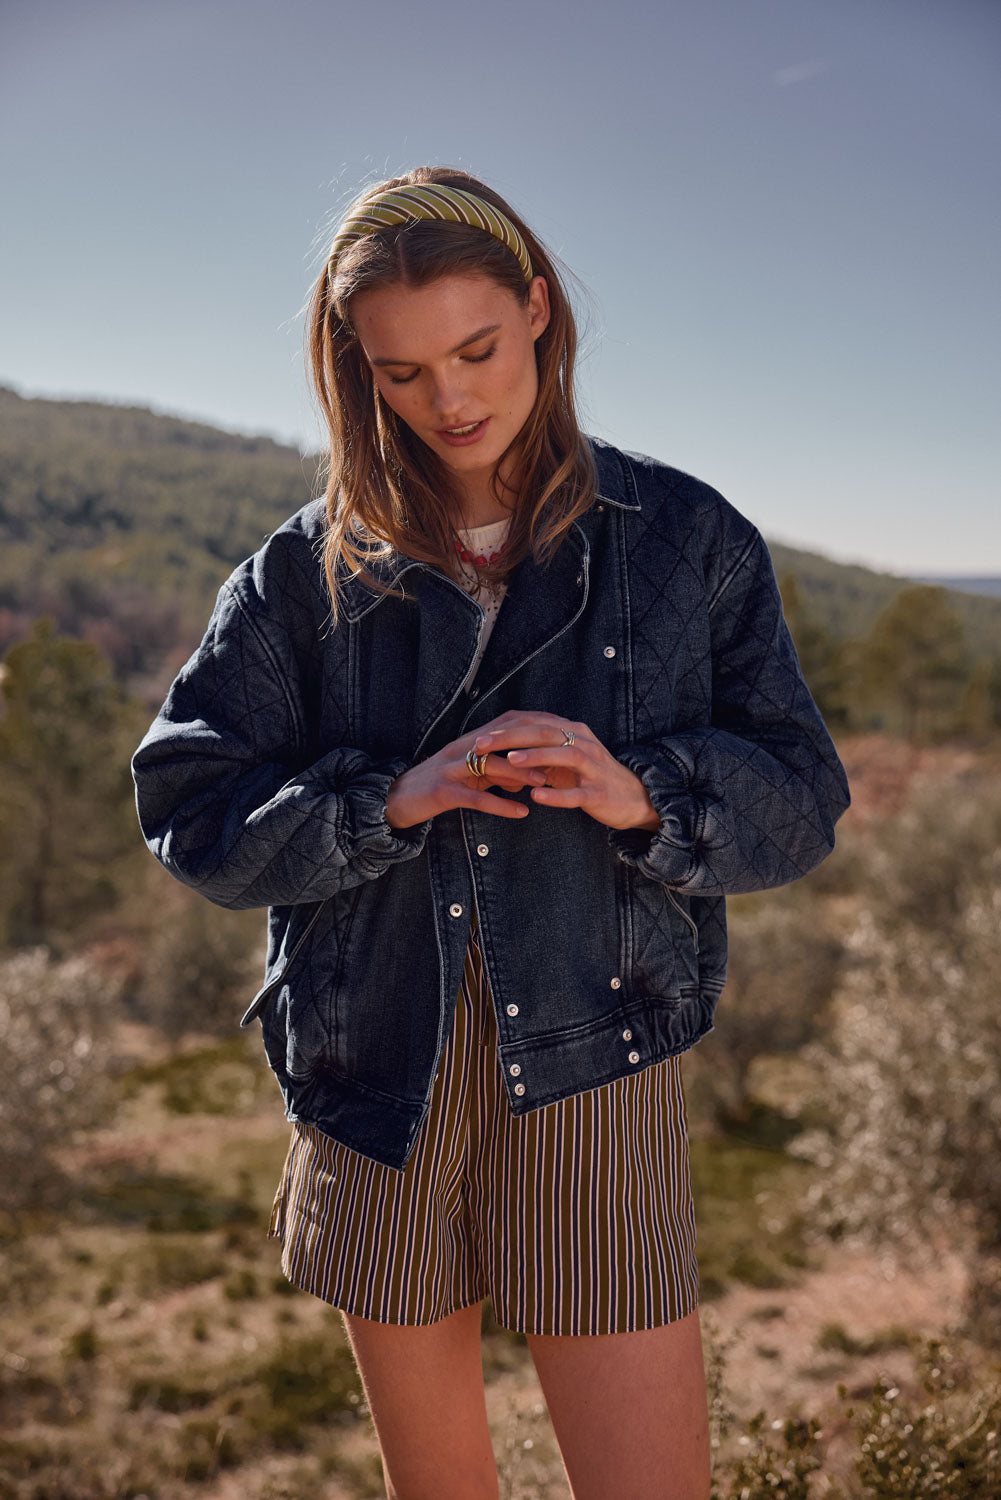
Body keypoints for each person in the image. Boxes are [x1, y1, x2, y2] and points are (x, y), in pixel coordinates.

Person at [132, 165, 851, 1500]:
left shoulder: (684, 541)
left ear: (535, 312)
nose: (450, 400)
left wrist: (642, 789)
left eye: (474, 350)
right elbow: (188, 808)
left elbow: (802, 799)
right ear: (357, 371)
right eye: (400, 373)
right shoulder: (298, 576)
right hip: (373, 1073)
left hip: (598, 1060)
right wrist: (382, 803)